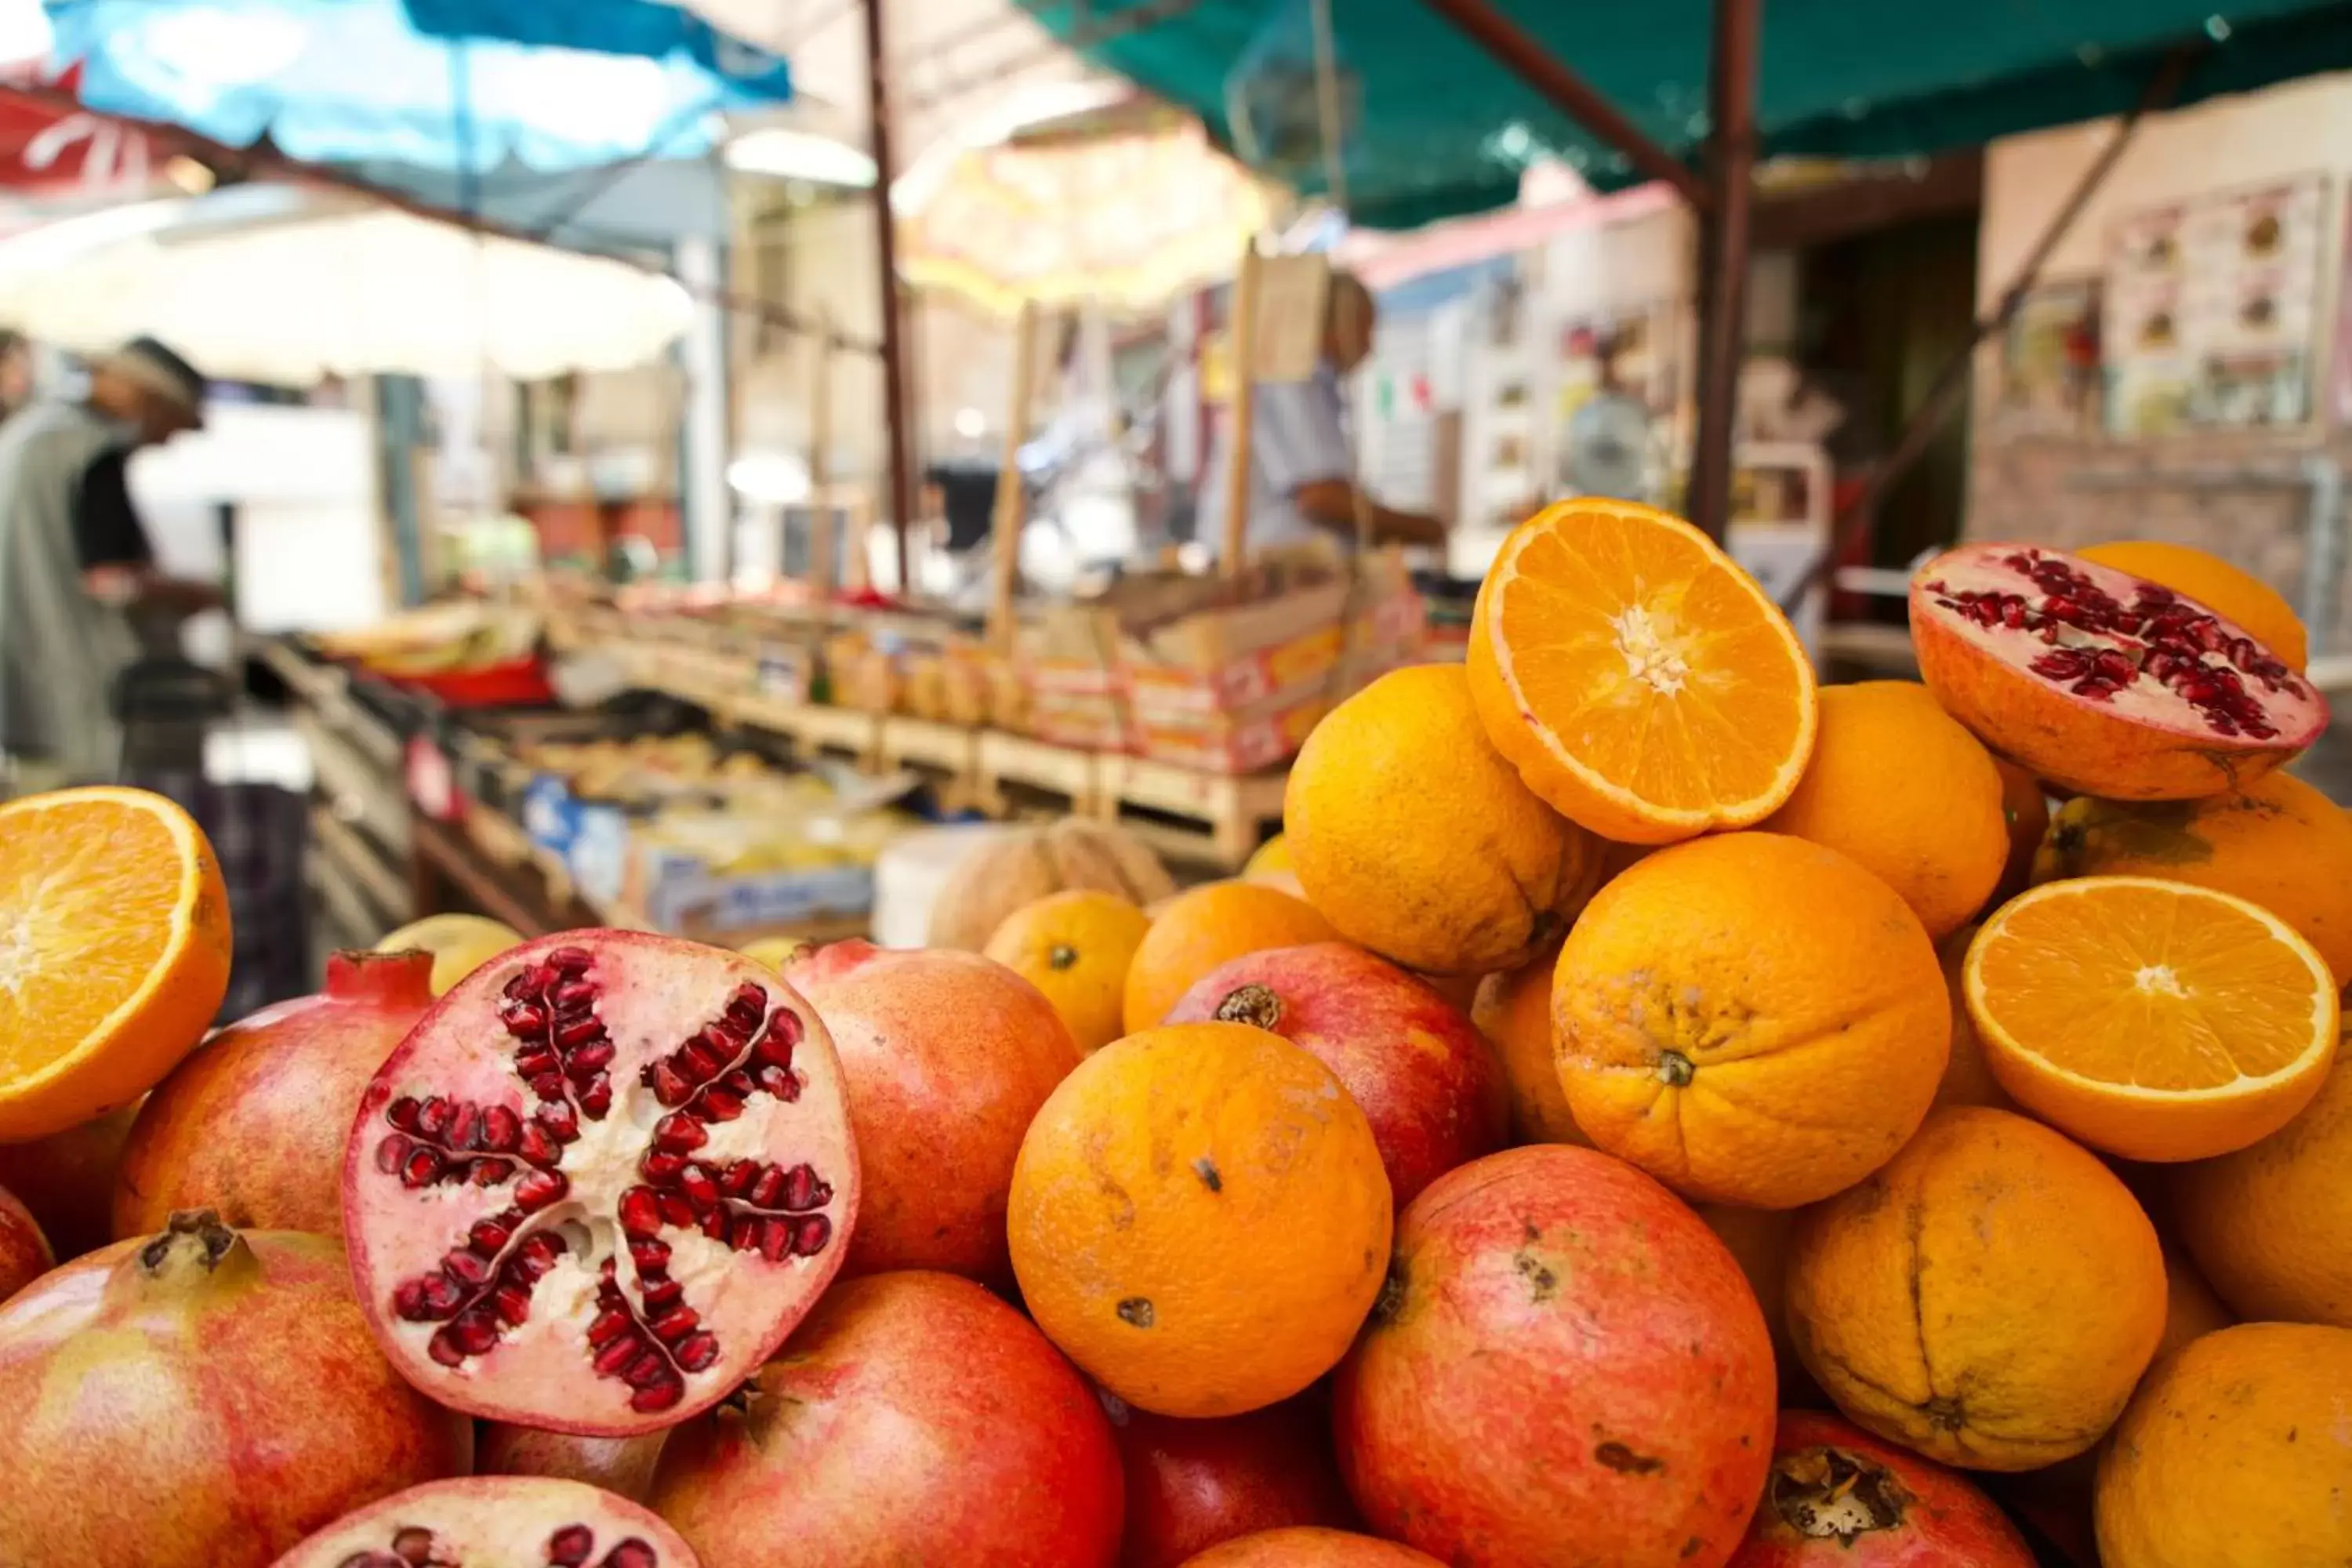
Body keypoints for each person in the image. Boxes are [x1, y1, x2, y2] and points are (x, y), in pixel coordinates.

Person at [0, 337, 217, 793]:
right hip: (67, 688)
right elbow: (111, 580)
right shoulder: (88, 448)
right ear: (147, 400)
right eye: (173, 424)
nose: (168, 440)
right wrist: (191, 594)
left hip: (24, 683)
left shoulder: (33, 431)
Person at [1195, 269, 1445, 560]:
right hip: (1266, 567)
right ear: (1336, 323)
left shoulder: (1308, 381)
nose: (1369, 346)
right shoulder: (1290, 377)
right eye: (1365, 327)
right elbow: (1321, 498)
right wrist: (1424, 529)